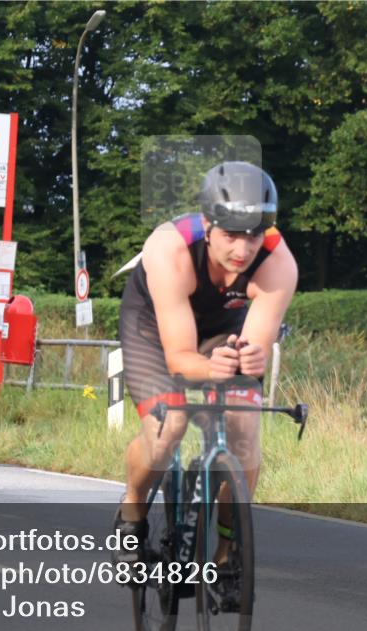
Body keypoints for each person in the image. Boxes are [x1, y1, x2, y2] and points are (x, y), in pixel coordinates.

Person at [115, 161, 298, 569]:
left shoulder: (278, 262)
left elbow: (256, 345)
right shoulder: (169, 249)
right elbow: (180, 357)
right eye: (231, 235)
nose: (243, 249)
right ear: (206, 224)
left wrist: (252, 356)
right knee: (168, 429)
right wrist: (208, 368)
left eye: (254, 235)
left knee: (244, 425)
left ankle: (230, 548)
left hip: (222, 327)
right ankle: (132, 509)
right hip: (153, 326)